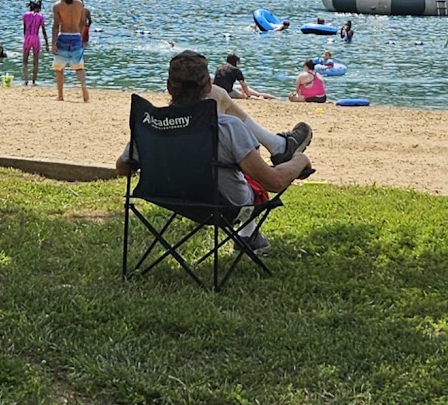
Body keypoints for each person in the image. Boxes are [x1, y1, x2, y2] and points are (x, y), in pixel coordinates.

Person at [117, 51, 313, 255]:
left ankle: (250, 232)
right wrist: (300, 160)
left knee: (229, 154)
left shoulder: (151, 124)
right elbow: (273, 182)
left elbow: (122, 168)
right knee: (244, 166)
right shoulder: (228, 128)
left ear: (168, 88)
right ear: (209, 86)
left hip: (170, 198)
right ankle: (281, 149)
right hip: (225, 205)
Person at [52, 0, 91, 103]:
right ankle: (84, 88)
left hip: (63, 36)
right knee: (79, 67)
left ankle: (60, 95)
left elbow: (56, 25)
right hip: (75, 36)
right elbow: (82, 22)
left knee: (59, 68)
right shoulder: (79, 4)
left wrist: (53, 43)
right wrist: (79, 35)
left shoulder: (57, 5)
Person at [20, 0, 47, 86]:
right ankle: (34, 81)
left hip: (27, 37)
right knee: (36, 62)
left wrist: (25, 37)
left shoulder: (25, 15)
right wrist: (47, 43)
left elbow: (24, 28)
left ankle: (26, 80)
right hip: (35, 37)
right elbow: (43, 30)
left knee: (25, 61)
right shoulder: (40, 16)